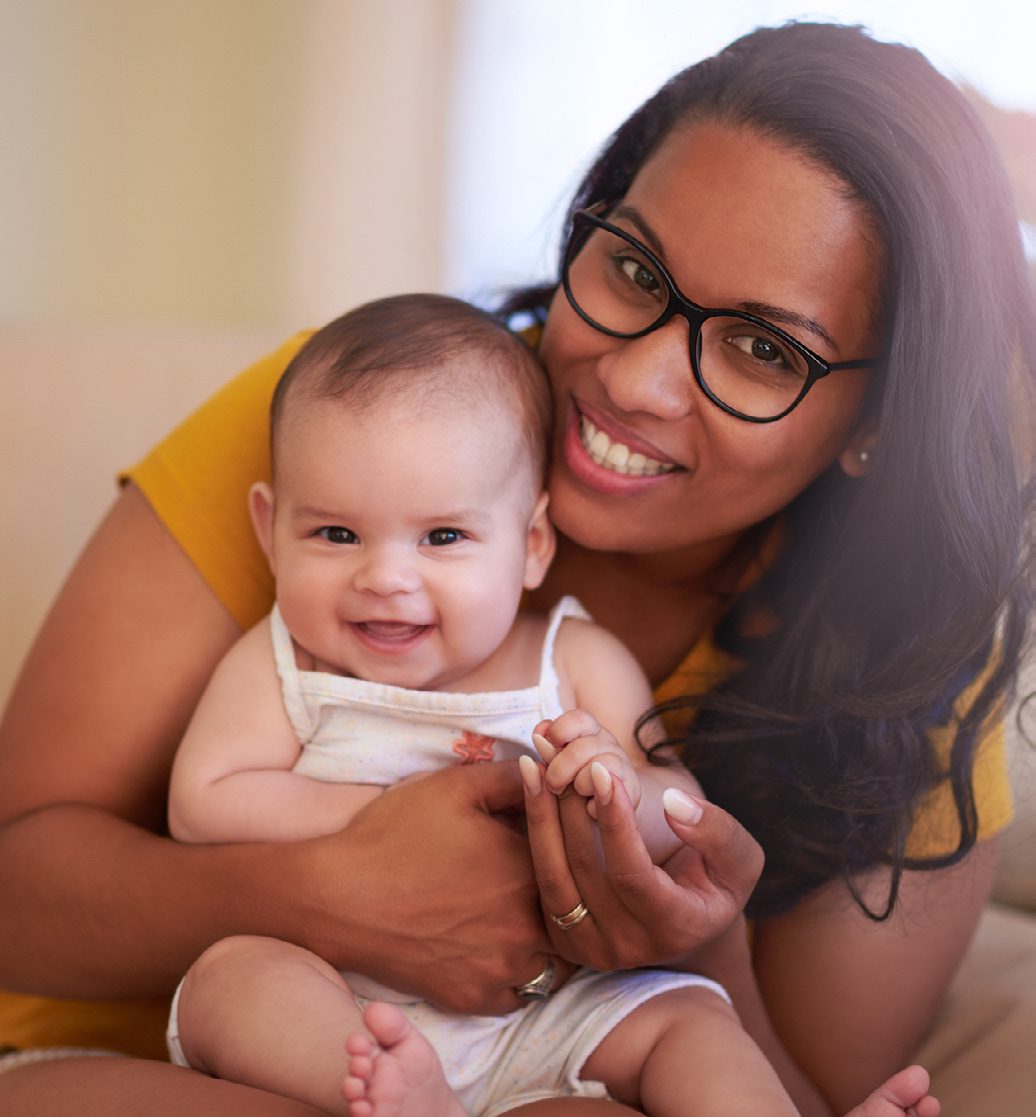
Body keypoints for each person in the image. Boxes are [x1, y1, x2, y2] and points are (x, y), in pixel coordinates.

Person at [0, 20, 1030, 1117]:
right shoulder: (346, 427)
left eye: (762, 348)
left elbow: (804, 1089)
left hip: (536, 1066)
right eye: (633, 269)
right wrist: (337, 895)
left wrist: (702, 936)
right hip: (156, 1057)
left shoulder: (903, 658)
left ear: (879, 421)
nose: (634, 380)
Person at [162, 294, 937, 1117]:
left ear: (531, 544)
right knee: (230, 980)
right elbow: (202, 801)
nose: (385, 577)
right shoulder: (287, 657)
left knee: (688, 1017)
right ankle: (395, 1097)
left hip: (553, 1016)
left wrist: (613, 788)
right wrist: (377, 823)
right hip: (342, 1000)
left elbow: (676, 810)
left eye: (444, 537)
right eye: (336, 535)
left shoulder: (571, 657)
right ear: (269, 527)